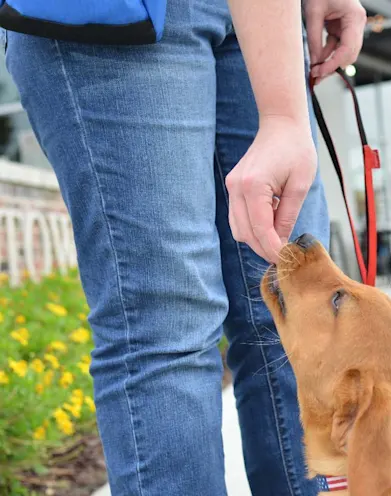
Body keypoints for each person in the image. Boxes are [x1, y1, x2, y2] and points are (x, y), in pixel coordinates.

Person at [1, 0, 366, 494]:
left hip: (261, 19)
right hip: (116, 16)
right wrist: (282, 115)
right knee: (168, 325)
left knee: (295, 309)